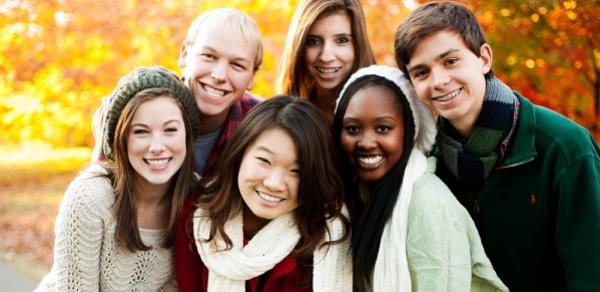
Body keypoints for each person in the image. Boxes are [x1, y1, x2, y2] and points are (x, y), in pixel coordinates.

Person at [394, 2, 600, 291]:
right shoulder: (426, 163)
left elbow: (591, 274)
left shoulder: (564, 147)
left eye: (451, 61)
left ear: (484, 58)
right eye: (421, 72)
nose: (439, 80)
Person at [332, 65, 507, 292]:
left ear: (410, 132)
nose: (366, 142)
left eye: (383, 128)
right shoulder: (360, 195)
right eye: (353, 129)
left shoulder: (429, 206)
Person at [35, 66, 201, 291]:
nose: (157, 147)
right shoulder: (90, 197)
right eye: (141, 131)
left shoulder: (196, 204)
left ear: (187, 135)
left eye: (170, 130)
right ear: (121, 139)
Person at [176, 96, 351, 291]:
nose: (274, 184)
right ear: (240, 153)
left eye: (297, 171)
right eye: (264, 161)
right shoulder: (197, 220)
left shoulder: (326, 237)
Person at [93, 8, 263, 176]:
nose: (219, 75)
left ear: (251, 77)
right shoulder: (129, 109)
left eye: (237, 65)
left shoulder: (262, 123)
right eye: (209, 56)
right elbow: (101, 185)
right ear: (184, 55)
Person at [276, 0, 375, 120]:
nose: (326, 57)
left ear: (358, 44)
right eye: (313, 41)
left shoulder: (386, 104)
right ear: (300, 47)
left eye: (341, 40)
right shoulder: (285, 116)